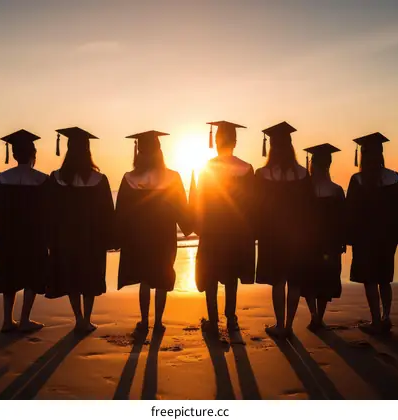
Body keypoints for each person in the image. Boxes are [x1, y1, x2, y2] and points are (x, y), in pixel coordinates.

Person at [115, 130, 193, 333]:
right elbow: (181, 208)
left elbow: (122, 212)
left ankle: (144, 321)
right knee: (162, 277)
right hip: (164, 237)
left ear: (139, 152)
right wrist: (190, 224)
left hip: (139, 238)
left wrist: (119, 236)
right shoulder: (173, 177)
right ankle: (158, 322)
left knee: (145, 279)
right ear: (160, 152)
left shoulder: (130, 178)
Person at [45, 126, 115, 334]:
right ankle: (87, 318)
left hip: (65, 238)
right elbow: (108, 213)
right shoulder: (99, 180)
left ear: (68, 149)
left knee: (72, 277)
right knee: (89, 277)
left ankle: (78, 319)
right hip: (91, 238)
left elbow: (49, 210)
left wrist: (51, 238)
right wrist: (110, 238)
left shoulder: (56, 178)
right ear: (88, 150)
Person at [191, 120, 255, 335]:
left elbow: (199, 201)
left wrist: (198, 225)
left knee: (210, 275)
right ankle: (231, 318)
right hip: (236, 231)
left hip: (212, 230)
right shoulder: (246, 169)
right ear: (235, 142)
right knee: (231, 274)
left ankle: (212, 320)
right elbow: (251, 203)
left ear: (217, 141)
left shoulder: (208, 168)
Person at [346, 132, 398, 334]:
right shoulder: (393, 177)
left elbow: (351, 211)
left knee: (370, 279)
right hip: (387, 237)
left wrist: (347, 236)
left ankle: (375, 319)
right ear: (381, 154)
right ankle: (386, 316)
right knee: (384, 277)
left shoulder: (358, 180)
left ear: (363, 156)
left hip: (365, 238)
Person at [255, 121, 315, 338]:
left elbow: (257, 206)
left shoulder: (263, 174)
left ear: (271, 148)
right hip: (297, 235)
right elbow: (310, 208)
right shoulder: (302, 174)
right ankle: (289, 325)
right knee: (295, 281)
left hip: (273, 236)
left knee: (278, 281)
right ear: (291, 147)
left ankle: (280, 324)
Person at [0, 129, 48, 333]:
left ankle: (7, 320)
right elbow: (48, 212)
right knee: (32, 276)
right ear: (33, 154)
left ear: (14, 155)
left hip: (10, 237)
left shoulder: (2, 179)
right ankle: (25, 319)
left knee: (10, 277)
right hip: (34, 237)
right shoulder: (43, 180)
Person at [301, 143, 346, 331]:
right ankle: (319, 316)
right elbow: (343, 220)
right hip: (329, 243)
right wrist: (342, 241)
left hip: (309, 242)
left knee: (309, 279)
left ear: (312, 164)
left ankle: (313, 316)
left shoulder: (304, 190)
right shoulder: (336, 190)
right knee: (325, 279)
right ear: (328, 165)